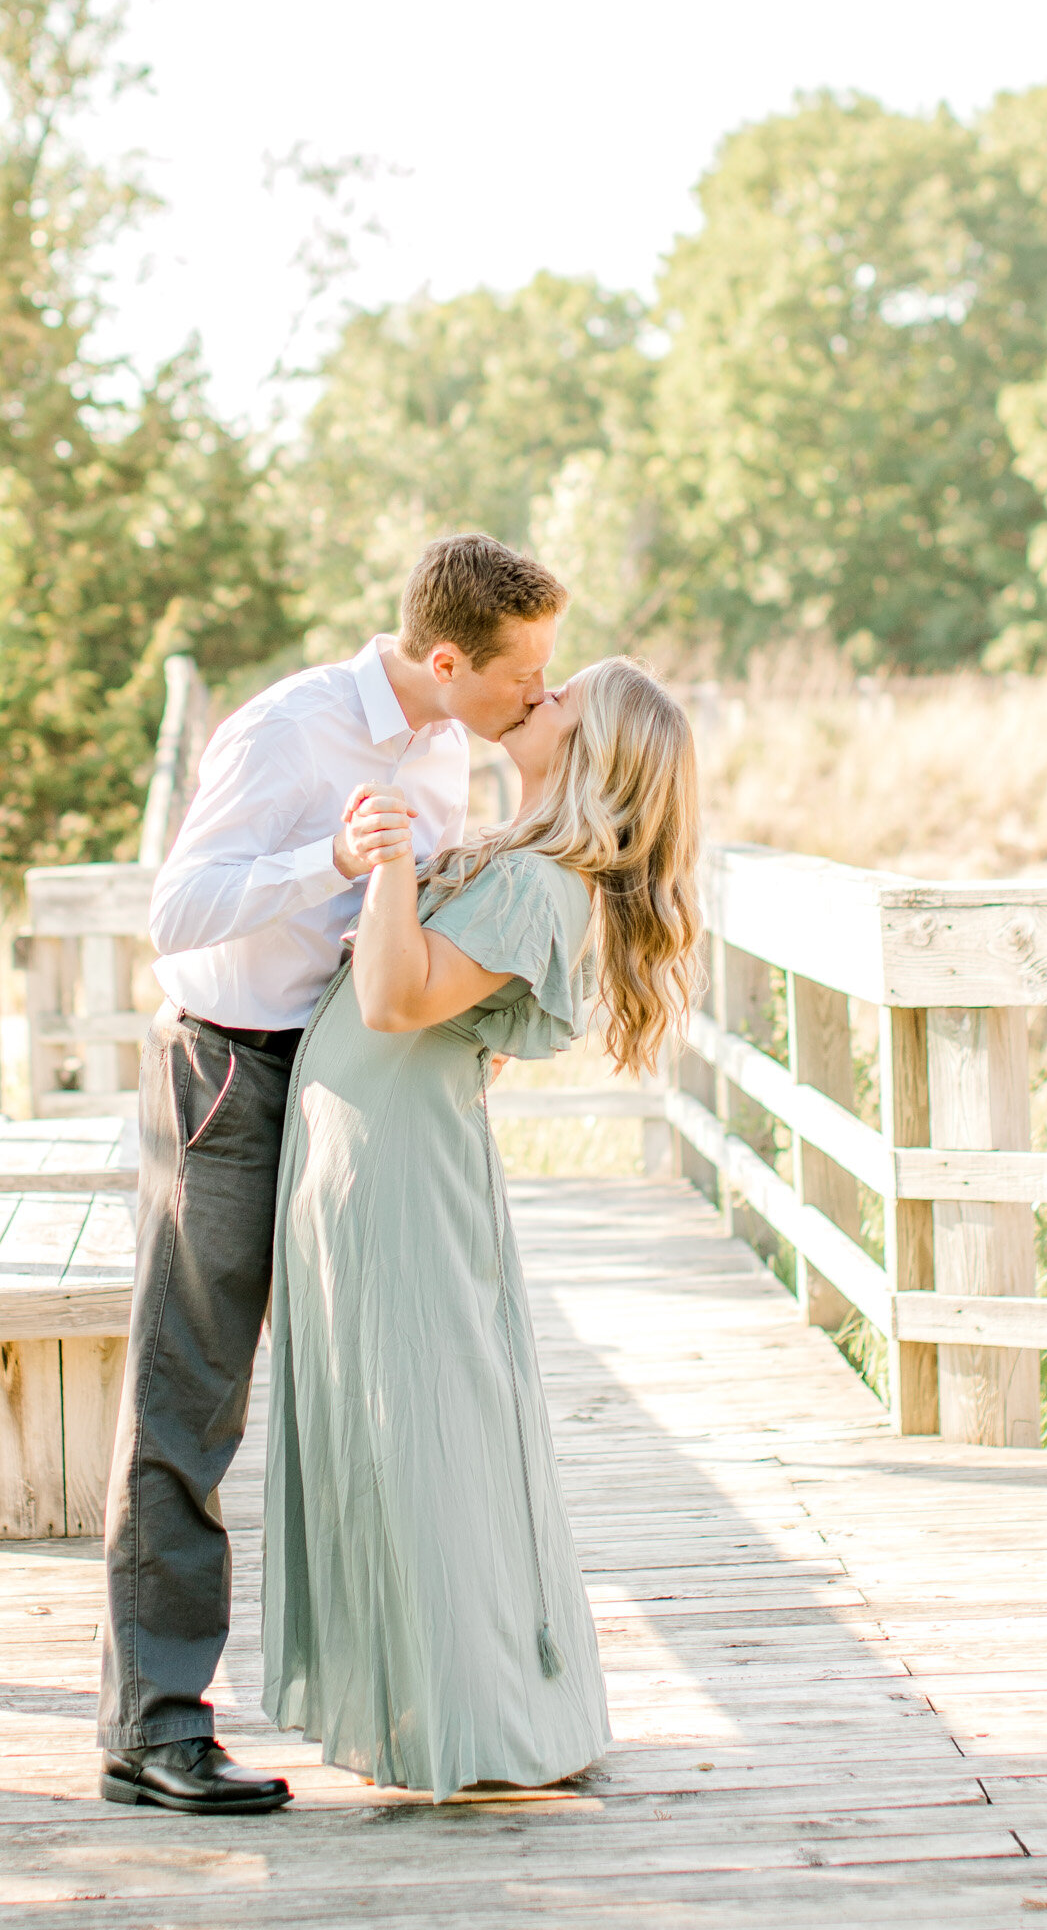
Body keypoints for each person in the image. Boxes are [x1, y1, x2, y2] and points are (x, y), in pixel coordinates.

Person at [97, 532, 570, 1814]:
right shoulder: (288, 728)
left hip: (335, 1088)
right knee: (191, 1394)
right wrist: (333, 861)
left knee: (343, 1395)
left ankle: (394, 1696)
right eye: (525, 668)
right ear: (447, 657)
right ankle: (152, 1727)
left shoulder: (442, 750)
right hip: (227, 1079)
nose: (539, 688)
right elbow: (177, 915)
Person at [263, 656, 702, 1802]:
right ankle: (430, 1710)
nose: (539, 695)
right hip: (374, 1144)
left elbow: (395, 999)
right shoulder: (524, 858)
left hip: (399, 1163)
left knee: (430, 1425)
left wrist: (395, 857)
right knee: (395, 1422)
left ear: (594, 749)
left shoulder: (543, 877)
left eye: (567, 697)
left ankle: (482, 1722)